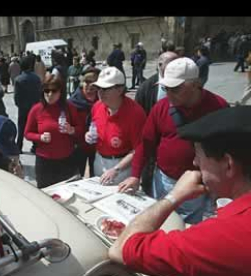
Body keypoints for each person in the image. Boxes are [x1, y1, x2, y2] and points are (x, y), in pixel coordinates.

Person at [109, 106, 251, 276]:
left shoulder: (224, 236)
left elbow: (121, 250)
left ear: (228, 164)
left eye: (199, 156)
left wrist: (173, 197)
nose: (195, 162)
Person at [119, 57, 228, 224]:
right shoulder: (161, 107)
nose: (168, 93)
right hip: (164, 181)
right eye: (165, 88)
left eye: (175, 88)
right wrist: (135, 175)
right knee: (161, 222)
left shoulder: (219, 107)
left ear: (195, 84)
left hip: (198, 184)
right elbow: (145, 143)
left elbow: (229, 151)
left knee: (187, 227)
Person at [87, 67, 146, 185]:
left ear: (120, 89)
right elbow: (93, 129)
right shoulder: (97, 106)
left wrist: (116, 169)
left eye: (105, 89)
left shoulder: (135, 113)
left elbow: (139, 149)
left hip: (122, 167)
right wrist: (88, 135)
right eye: (99, 88)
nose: (100, 92)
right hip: (99, 160)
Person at [24, 74, 83, 188]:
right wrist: (40, 137)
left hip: (66, 161)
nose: (50, 94)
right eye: (47, 90)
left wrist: (71, 130)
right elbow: (27, 133)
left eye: (54, 91)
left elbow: (81, 129)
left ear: (60, 92)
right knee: (46, 197)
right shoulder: (36, 109)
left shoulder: (69, 108)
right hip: (44, 162)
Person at [134, 51, 179, 195]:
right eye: (170, 64)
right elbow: (139, 115)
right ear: (160, 65)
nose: (174, 67)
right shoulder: (146, 87)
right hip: (151, 141)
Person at [68, 67, 100, 177]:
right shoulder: (72, 103)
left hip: (98, 148)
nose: (90, 86)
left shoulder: (104, 102)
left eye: (94, 82)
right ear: (82, 83)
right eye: (87, 82)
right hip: (77, 147)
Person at [14, 56, 41, 152]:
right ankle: (35, 146)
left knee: (21, 127)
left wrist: (19, 105)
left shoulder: (18, 79)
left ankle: (19, 146)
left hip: (23, 108)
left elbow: (17, 97)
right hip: (35, 107)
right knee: (34, 126)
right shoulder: (36, 78)